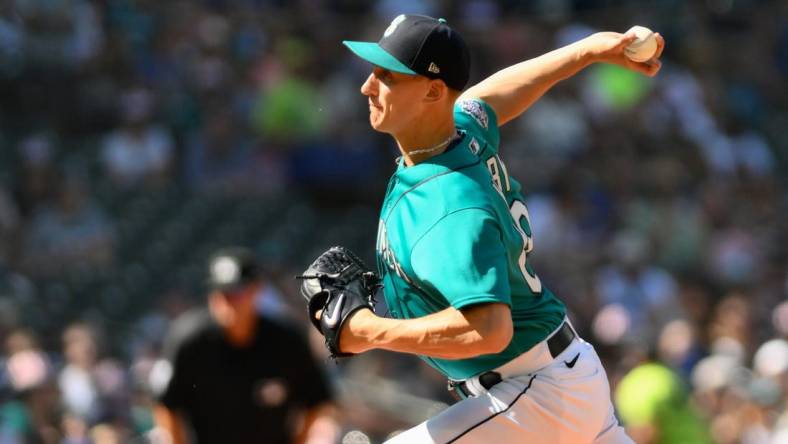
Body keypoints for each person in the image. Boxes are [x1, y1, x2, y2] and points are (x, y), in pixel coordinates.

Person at [331, 14, 664, 443]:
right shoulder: (459, 133)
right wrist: (588, 50)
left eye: (387, 76)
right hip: (559, 378)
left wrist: (370, 332)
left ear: (433, 91)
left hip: (534, 393)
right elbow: (494, 95)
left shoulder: (451, 203)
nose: (367, 86)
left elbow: (489, 329)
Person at [150, 247, 336, 444]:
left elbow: (318, 402)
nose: (228, 301)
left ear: (257, 290)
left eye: (237, 292)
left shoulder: (286, 342)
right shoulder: (190, 340)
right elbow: (166, 405)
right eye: (221, 292)